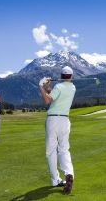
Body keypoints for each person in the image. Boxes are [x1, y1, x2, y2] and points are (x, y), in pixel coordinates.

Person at [39, 66, 76, 195]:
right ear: (71, 76)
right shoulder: (72, 88)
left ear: (61, 75)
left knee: (51, 151)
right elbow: (53, 94)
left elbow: (47, 100)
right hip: (65, 121)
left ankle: (56, 179)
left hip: (53, 120)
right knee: (64, 149)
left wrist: (40, 86)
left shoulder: (59, 87)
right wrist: (47, 88)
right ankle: (69, 173)